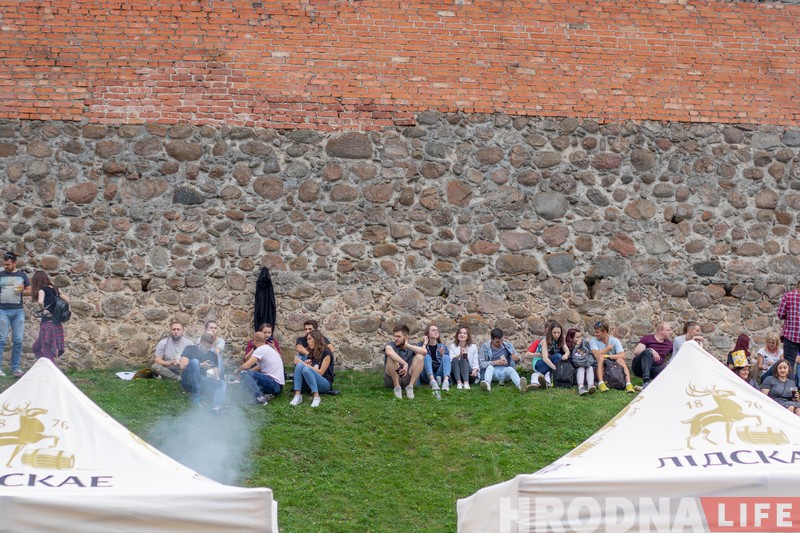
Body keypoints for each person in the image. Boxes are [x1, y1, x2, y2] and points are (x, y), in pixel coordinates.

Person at [0, 251, 31, 377]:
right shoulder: (0, 274)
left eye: (8, 264)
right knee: (1, 339)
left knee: (18, 340)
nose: (5, 266)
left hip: (18, 311)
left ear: (14, 263)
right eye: (4, 264)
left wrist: (22, 290)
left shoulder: (22, 275)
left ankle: (16, 369)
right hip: (2, 310)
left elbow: (30, 291)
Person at [179, 333, 227, 409]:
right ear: (201, 342)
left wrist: (215, 374)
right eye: (206, 347)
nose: (208, 349)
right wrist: (201, 365)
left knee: (223, 383)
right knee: (195, 362)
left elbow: (215, 370)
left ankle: (216, 407)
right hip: (188, 380)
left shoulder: (213, 355)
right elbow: (182, 365)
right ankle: (197, 395)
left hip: (202, 381)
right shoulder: (190, 349)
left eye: (210, 347)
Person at [235, 331, 284, 405]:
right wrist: (249, 373)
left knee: (243, 372)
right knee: (247, 374)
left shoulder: (260, 350)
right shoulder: (268, 348)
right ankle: (266, 394)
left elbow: (246, 366)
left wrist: (238, 371)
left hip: (273, 383)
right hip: (278, 387)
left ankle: (259, 397)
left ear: (255, 341)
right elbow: (259, 367)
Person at [29, 271, 67, 363]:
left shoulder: (42, 289)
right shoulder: (55, 289)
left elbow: (40, 301)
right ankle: (44, 367)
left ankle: (52, 370)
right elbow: (68, 300)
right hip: (56, 324)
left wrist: (43, 309)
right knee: (36, 348)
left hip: (47, 324)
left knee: (47, 351)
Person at [290, 330, 334, 408]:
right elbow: (314, 368)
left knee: (305, 368)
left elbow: (321, 372)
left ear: (316, 339)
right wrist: (308, 364)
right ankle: (297, 395)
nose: (307, 342)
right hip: (313, 381)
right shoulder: (312, 351)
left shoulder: (327, 352)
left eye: (309, 339)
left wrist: (304, 364)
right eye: (307, 339)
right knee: (299, 366)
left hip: (325, 383)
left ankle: (316, 397)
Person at [590, 321, 634, 393]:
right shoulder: (593, 341)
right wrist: (607, 348)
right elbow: (596, 355)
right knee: (600, 358)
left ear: (604, 332)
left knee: (620, 360)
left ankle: (628, 384)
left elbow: (622, 355)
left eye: (597, 332)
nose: (595, 334)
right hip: (599, 364)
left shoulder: (614, 341)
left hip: (612, 364)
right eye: (595, 332)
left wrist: (607, 356)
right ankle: (601, 383)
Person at [478, 328, 527, 393]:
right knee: (490, 367)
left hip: (505, 371)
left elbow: (519, 359)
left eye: (501, 341)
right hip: (493, 373)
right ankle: (487, 385)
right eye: (497, 342)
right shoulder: (485, 347)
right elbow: (481, 364)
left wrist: (517, 358)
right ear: (491, 339)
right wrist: (495, 362)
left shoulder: (507, 344)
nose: (500, 343)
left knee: (510, 369)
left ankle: (520, 386)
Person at [384, 325, 426, 399]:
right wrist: (404, 363)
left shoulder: (411, 347)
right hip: (392, 379)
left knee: (420, 357)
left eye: (398, 336)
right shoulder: (391, 344)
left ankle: (410, 387)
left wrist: (407, 345)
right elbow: (389, 352)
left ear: (406, 337)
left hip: (407, 378)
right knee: (391, 358)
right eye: (395, 336)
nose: (395, 339)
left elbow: (424, 352)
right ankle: (397, 387)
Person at [632, 322, 674, 389]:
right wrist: (651, 350)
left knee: (668, 369)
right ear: (660, 330)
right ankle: (646, 381)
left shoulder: (669, 344)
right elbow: (636, 351)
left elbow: (677, 354)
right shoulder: (647, 338)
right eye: (668, 330)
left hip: (653, 369)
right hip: (639, 367)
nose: (671, 332)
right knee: (647, 352)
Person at [530, 320, 570, 389]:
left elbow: (567, 351)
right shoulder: (545, 341)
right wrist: (555, 368)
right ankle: (547, 379)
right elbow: (545, 358)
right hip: (539, 363)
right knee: (558, 356)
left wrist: (566, 355)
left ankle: (544, 381)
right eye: (554, 333)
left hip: (550, 363)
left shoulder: (561, 340)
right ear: (550, 332)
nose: (557, 335)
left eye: (558, 333)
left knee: (559, 357)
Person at [777, 282, 800, 377]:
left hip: (791, 336)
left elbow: (780, 314)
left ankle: (790, 386)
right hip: (791, 335)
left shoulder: (788, 295)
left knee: (789, 365)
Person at [420, 324, 451, 392]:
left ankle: (446, 382)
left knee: (446, 357)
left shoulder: (442, 346)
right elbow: (418, 355)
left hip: (439, 374)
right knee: (426, 356)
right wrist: (425, 342)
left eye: (437, 330)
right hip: (427, 374)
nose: (436, 332)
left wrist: (442, 355)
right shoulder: (422, 345)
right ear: (428, 334)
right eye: (433, 330)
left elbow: (447, 364)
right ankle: (432, 381)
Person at [565, 328, 596, 396]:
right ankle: (580, 387)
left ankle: (590, 385)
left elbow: (588, 352)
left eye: (580, 336)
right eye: (577, 337)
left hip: (585, 362)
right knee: (581, 368)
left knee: (589, 367)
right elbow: (571, 355)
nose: (580, 338)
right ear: (571, 339)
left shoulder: (583, 343)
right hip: (576, 365)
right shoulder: (568, 346)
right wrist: (577, 346)